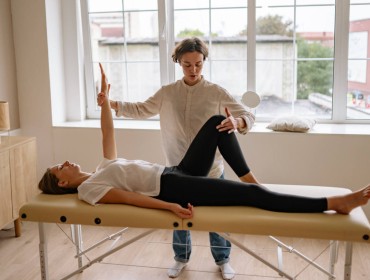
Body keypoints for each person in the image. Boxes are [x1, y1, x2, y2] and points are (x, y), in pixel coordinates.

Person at [39, 63, 370, 278]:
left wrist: (106, 99)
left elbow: (107, 134)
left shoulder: (100, 167)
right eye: (59, 168)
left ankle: (248, 175)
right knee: (254, 197)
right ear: (63, 182)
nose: (65, 162)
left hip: (176, 171)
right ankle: (332, 203)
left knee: (216, 123)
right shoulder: (88, 190)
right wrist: (168, 207)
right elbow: (128, 198)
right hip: (174, 190)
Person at [108, 37, 258, 279]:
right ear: (178, 62)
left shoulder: (216, 92)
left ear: (204, 61)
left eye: (198, 64)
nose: (193, 70)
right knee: (178, 215)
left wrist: (237, 121)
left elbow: (248, 115)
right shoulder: (168, 93)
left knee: (216, 219)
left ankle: (223, 260)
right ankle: (181, 258)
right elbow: (141, 109)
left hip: (211, 171)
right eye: (187, 64)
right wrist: (111, 103)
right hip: (178, 169)